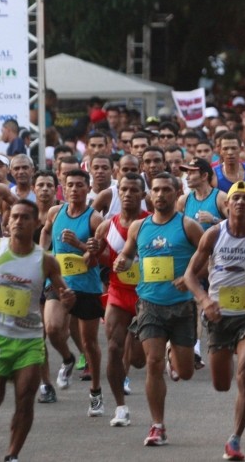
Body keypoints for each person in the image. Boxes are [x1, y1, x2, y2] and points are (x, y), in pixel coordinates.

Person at [0, 200, 73, 462]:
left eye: (25, 217)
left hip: (29, 341)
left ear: (36, 224)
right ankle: (6, 374)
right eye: (14, 217)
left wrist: (69, 299)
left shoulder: (45, 260)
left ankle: (12, 454)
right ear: (7, 221)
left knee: (25, 401)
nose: (18, 222)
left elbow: (64, 293)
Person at [184, 180, 245, 461]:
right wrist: (204, 300)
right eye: (235, 198)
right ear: (227, 206)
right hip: (219, 316)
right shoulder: (213, 235)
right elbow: (190, 276)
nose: (239, 203)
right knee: (222, 384)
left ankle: (235, 439)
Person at [114, 172, 205, 446]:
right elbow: (128, 254)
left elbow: (207, 258)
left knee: (186, 372)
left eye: (167, 190)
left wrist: (189, 277)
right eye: (156, 189)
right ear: (149, 194)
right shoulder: (139, 228)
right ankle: (157, 425)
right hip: (149, 304)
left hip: (181, 307)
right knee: (151, 364)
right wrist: (122, 261)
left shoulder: (188, 226)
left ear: (177, 193)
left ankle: (172, 354)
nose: (161, 194)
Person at [40, 169, 106, 416]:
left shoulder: (94, 219)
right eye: (70, 185)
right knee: (53, 328)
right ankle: (68, 359)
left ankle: (96, 391)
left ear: (88, 189)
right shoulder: (55, 213)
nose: (75, 189)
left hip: (87, 286)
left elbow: (95, 259)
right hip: (59, 283)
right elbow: (46, 230)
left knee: (90, 343)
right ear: (63, 189)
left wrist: (79, 245)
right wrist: (42, 250)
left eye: (80, 185)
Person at [94, 172, 149, 427]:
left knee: (138, 360)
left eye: (133, 190)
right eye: (123, 190)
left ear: (143, 195)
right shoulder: (107, 225)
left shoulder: (152, 223)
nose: (127, 194)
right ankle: (120, 407)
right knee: (114, 349)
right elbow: (97, 260)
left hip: (147, 296)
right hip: (118, 292)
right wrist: (91, 251)